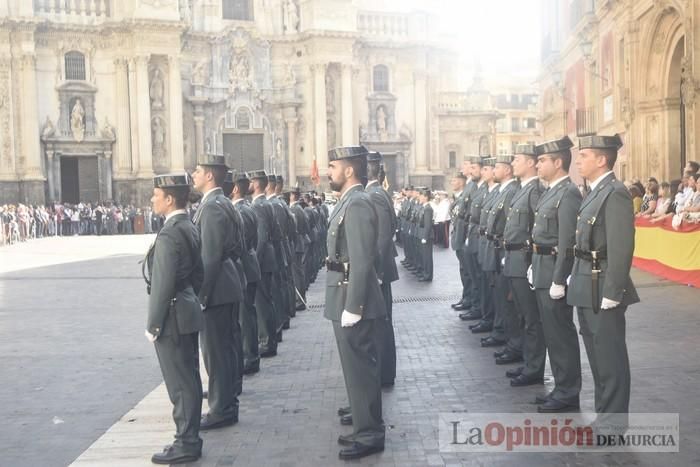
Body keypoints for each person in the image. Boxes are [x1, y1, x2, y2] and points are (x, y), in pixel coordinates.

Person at [567, 134, 639, 432]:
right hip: (586, 283)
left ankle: (614, 424)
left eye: (584, 156)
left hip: (603, 285)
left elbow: (622, 246)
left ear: (601, 159)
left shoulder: (615, 192)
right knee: (597, 358)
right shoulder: (595, 191)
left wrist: (614, 290)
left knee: (610, 359)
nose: (578, 161)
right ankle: (604, 418)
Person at [326, 146, 386, 460]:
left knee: (361, 368)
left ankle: (371, 434)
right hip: (344, 292)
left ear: (349, 170)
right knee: (354, 369)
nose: (329, 172)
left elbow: (362, 260)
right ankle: (364, 427)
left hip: (353, 296)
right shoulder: (349, 201)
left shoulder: (359, 202)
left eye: (334, 166)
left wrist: (354, 306)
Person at [143, 173, 204, 464]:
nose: (152, 199)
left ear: (169, 199)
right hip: (188, 307)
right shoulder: (188, 226)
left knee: (180, 383)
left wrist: (153, 324)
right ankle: (189, 437)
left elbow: (162, 285)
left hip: (173, 316)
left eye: (156, 194)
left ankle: (187, 442)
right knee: (189, 377)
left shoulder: (170, 233)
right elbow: (199, 273)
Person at [191, 154, 244, 430]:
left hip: (218, 287)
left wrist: (201, 295)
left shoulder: (212, 207)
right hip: (229, 282)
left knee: (216, 351)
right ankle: (226, 397)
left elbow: (209, 256)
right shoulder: (222, 202)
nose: (194, 174)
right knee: (227, 347)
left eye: (198, 170)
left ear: (210, 175)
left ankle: (221, 408)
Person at [531, 137, 582, 412]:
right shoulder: (550, 191)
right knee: (551, 334)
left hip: (554, 273)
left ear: (558, 162)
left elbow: (566, 243)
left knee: (561, 333)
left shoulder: (568, 193)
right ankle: (561, 386)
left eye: (542, 160)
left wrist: (560, 279)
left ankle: (568, 391)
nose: (538, 164)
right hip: (542, 269)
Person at [500, 145, 545, 387]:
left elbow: (535, 229)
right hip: (514, 260)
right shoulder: (522, 190)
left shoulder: (534, 190)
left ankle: (535, 367)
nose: (513, 163)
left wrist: (530, 263)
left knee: (531, 319)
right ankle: (529, 362)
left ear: (530, 163)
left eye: (517, 159)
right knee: (522, 315)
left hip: (524, 260)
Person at [364, 151, 398, 387]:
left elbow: (383, 237)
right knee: (381, 323)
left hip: (379, 272)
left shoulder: (374, 195)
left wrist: (376, 272)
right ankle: (384, 373)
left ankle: (384, 374)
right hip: (381, 270)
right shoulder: (377, 193)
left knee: (380, 325)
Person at [247, 170, 280, 358]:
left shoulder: (259, 206)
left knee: (261, 303)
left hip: (262, 260)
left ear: (256, 183)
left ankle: (266, 341)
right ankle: (271, 337)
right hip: (270, 258)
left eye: (250, 181)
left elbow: (260, 237)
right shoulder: (265, 203)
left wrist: (255, 262)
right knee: (267, 300)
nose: (248, 184)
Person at [417, 188, 434, 281]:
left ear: (426, 197)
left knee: (427, 257)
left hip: (426, 236)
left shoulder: (428, 209)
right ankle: (425, 273)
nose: (419, 197)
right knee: (424, 255)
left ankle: (428, 275)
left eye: (421, 195)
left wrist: (425, 237)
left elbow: (427, 225)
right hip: (422, 234)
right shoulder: (424, 207)